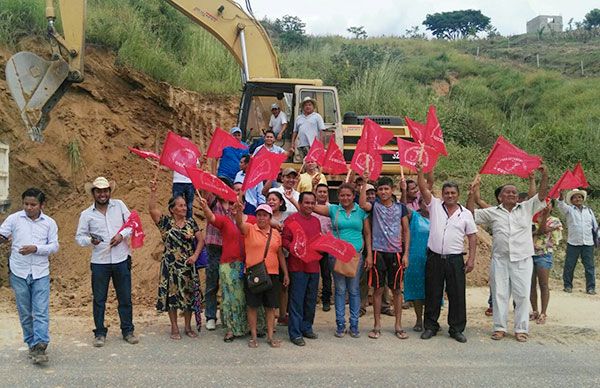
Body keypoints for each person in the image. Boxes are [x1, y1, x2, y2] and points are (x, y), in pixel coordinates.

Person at [468, 166, 549, 342]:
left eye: (514, 192)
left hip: (523, 259)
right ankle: (499, 328)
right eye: (507, 192)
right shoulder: (493, 212)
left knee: (522, 295)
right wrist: (471, 193)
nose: (512, 194)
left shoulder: (526, 208)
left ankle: (521, 329)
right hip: (500, 260)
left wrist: (544, 176)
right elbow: (470, 214)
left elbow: (541, 196)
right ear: (500, 197)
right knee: (499, 294)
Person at [417, 162, 477, 344]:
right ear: (442, 194)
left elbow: (472, 237)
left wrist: (472, 259)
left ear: (458, 195)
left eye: (453, 193)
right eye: (446, 193)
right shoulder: (434, 205)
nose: (449, 196)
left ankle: (456, 328)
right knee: (433, 292)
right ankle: (430, 326)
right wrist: (420, 172)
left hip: (455, 259)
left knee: (457, 294)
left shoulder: (465, 213)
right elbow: (422, 187)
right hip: (435, 257)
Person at [76, 177, 138, 347]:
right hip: (99, 262)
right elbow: (79, 238)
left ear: (109, 192)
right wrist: (91, 240)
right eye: (99, 191)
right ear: (93, 193)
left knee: (125, 297)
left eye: (105, 191)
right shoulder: (86, 214)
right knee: (99, 299)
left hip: (121, 259)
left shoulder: (119, 205)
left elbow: (132, 224)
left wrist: (121, 235)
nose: (102, 194)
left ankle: (128, 331)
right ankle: (100, 333)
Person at [0, 188, 58, 364]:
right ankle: (31, 343)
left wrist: (36, 249)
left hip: (40, 272)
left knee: (40, 311)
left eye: (33, 204)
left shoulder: (49, 223)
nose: (29, 207)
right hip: (19, 272)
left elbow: (55, 246)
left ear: (42, 205)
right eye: (26, 204)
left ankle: (41, 345)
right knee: (25, 312)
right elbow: (2, 234)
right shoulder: (14, 219)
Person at [314, 183, 372, 338]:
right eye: (342, 195)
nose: (345, 198)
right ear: (338, 196)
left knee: (354, 290)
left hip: (356, 256)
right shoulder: (334, 209)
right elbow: (310, 207)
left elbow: (367, 234)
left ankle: (354, 324)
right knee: (339, 290)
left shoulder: (361, 211)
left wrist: (370, 255)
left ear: (354, 196)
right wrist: (307, 192)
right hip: (337, 255)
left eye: (348, 195)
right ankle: (340, 324)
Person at [149, 180, 204, 340]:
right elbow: (152, 209)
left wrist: (195, 256)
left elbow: (201, 240)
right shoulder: (166, 223)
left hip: (187, 265)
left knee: (188, 296)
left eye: (185, 205)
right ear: (172, 209)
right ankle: (174, 327)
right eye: (180, 206)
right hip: (170, 266)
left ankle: (187, 326)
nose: (184, 208)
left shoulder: (191, 222)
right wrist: (153, 191)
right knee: (171, 296)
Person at [359, 175, 410, 340]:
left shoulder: (400, 207)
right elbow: (361, 204)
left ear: (391, 190)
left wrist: (406, 254)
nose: (383, 192)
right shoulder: (373, 206)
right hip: (377, 252)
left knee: (396, 290)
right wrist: (365, 182)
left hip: (396, 252)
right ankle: (377, 325)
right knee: (378, 289)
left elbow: (406, 231)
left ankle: (398, 324)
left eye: (386, 188)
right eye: (380, 189)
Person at [235, 203, 289, 348]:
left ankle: (270, 336)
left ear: (270, 218)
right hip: (254, 274)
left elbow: (280, 255)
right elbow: (239, 223)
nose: (261, 218)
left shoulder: (276, 234)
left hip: (272, 274)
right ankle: (253, 337)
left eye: (265, 215)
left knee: (270, 307)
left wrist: (286, 273)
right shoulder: (250, 229)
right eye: (259, 215)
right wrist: (239, 211)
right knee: (252, 306)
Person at [199, 196, 251, 342]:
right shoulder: (225, 220)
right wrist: (205, 207)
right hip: (228, 265)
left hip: (247, 264)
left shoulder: (252, 220)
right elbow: (211, 217)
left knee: (245, 297)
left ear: (244, 204)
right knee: (230, 298)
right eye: (232, 203)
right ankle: (230, 328)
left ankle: (246, 326)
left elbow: (267, 222)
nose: (234, 206)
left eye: (238, 203)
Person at [282, 192, 322, 346]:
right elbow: (284, 240)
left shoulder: (316, 221)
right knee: (296, 300)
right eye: (306, 202)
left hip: (313, 266)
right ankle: (295, 333)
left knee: (310, 300)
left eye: (312, 203)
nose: (310, 206)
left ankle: (307, 327)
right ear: (300, 203)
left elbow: (318, 239)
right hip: (297, 266)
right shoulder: (291, 220)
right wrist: (294, 248)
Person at [558, 189, 597, 295]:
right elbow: (561, 205)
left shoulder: (588, 210)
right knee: (570, 265)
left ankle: (591, 287)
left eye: (580, 197)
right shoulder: (569, 210)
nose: (578, 199)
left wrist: (598, 238)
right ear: (571, 200)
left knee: (589, 266)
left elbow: (595, 226)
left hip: (588, 243)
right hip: (573, 242)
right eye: (575, 197)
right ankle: (567, 286)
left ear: (583, 199)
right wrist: (561, 196)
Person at [530, 200, 562, 324]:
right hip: (529, 254)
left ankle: (543, 312)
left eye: (548, 204)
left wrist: (543, 217)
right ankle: (535, 310)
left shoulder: (555, 221)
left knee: (543, 284)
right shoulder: (532, 219)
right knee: (531, 284)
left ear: (552, 207)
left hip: (544, 254)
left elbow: (542, 230)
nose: (545, 206)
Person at [403, 196, 430, 332]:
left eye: (429, 201)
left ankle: (430, 320)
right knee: (417, 290)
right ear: (419, 204)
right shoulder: (414, 216)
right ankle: (419, 319)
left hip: (433, 259)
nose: (427, 204)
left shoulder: (440, 219)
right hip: (416, 258)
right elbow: (401, 207)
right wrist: (403, 191)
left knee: (432, 290)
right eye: (424, 201)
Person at [266, 190, 289, 325]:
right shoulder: (262, 216)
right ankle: (271, 316)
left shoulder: (287, 216)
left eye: (274, 199)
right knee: (270, 286)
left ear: (281, 202)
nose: (272, 202)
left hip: (284, 255)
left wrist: (291, 198)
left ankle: (282, 314)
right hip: (268, 256)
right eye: (269, 199)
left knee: (284, 286)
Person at [314, 183, 333, 311]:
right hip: (313, 247)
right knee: (314, 275)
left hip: (327, 246)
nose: (322, 194)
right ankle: (313, 298)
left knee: (327, 275)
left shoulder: (332, 209)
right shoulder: (311, 207)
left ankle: (326, 300)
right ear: (316, 193)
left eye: (324, 192)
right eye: (320, 191)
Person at [291, 96, 326, 163]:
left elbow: (322, 131)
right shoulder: (299, 118)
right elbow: (295, 132)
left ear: (313, 106)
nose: (308, 107)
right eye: (306, 105)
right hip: (301, 145)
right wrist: (292, 144)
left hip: (313, 145)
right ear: (303, 107)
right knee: (304, 163)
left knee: (313, 163)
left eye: (310, 105)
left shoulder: (317, 117)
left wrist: (321, 144)